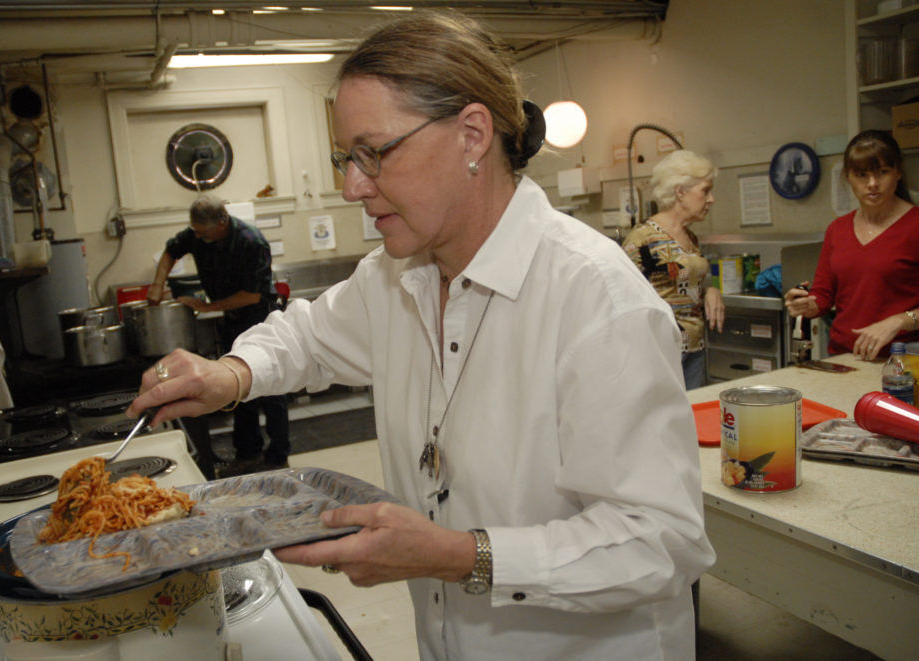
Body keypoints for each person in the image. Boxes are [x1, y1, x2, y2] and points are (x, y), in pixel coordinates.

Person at [129, 11, 713, 660]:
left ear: (471, 135)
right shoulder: (395, 276)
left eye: (373, 153)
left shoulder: (596, 301)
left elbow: (661, 539)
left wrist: (461, 554)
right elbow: (308, 336)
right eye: (344, 159)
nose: (353, 185)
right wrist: (230, 374)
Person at [147, 194, 290, 476]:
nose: (197, 238)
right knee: (235, 387)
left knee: (271, 388)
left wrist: (206, 306)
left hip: (259, 317)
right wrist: (156, 285)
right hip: (233, 320)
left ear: (222, 223)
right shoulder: (199, 235)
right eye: (195, 232)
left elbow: (252, 295)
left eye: (203, 232)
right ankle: (248, 454)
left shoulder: (251, 242)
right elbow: (170, 252)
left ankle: (277, 457)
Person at [785, 130, 919, 359]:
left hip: (903, 362)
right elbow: (823, 295)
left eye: (883, 173)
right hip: (844, 357)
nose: (873, 184)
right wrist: (807, 306)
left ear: (898, 172)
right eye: (862, 175)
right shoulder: (838, 229)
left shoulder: (914, 225)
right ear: (848, 177)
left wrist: (900, 321)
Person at [622, 150, 725, 390]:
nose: (711, 199)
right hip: (661, 353)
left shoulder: (690, 237)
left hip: (695, 348)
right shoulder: (644, 239)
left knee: (693, 416)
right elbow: (623, 298)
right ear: (680, 192)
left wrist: (711, 291)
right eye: (705, 190)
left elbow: (688, 284)